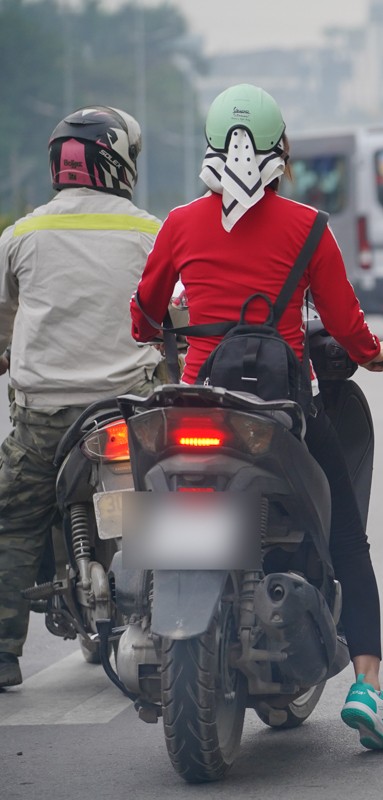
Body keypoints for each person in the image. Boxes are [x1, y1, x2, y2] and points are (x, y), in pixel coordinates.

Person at [129, 84, 383, 751]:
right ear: (282, 150)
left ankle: (138, 625)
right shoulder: (307, 226)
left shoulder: (179, 224)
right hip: (282, 414)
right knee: (349, 543)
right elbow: (346, 326)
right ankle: (367, 688)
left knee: (144, 514)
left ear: (212, 150)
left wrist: (175, 327)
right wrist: (377, 355)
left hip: (191, 403)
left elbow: (142, 317)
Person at [0, 106, 162, 689]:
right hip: (126, 414)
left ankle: (2, 652)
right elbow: (178, 316)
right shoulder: (150, 233)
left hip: (44, 419)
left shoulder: (21, 235)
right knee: (148, 516)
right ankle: (161, 625)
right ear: (118, 162)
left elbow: (4, 319)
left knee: (13, 521)